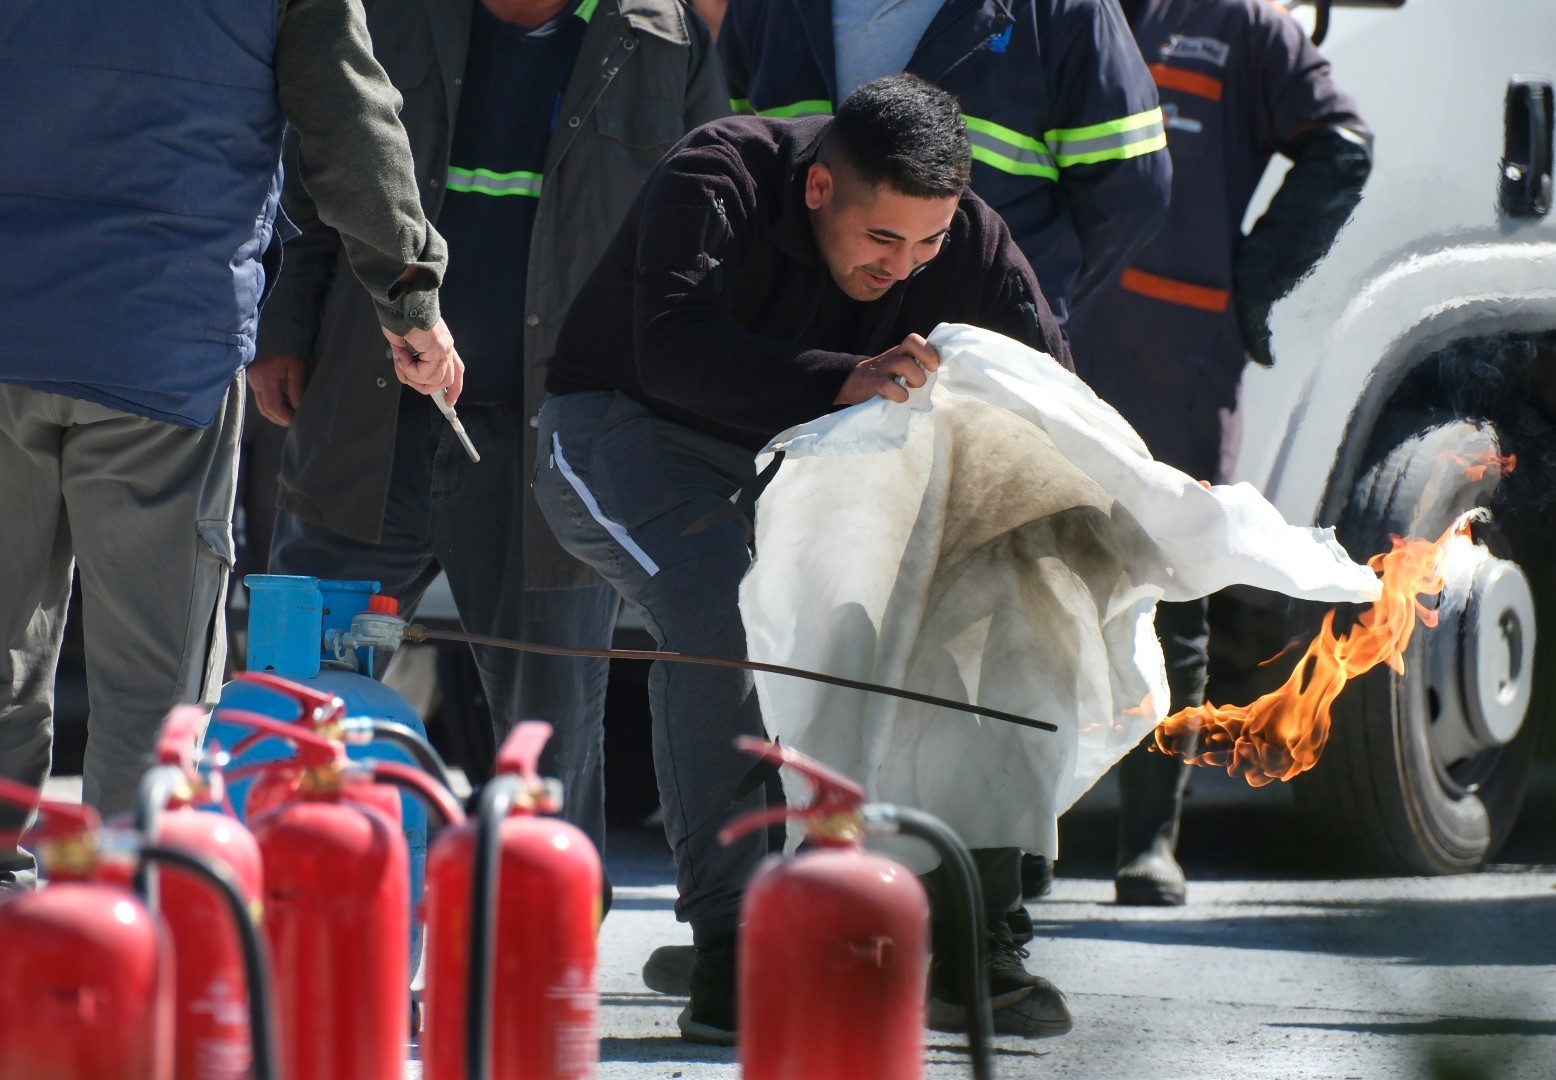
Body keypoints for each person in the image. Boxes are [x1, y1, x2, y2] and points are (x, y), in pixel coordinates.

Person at [0, 0, 459, 1038]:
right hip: (158, 340)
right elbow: (349, 118)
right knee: (157, 678)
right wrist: (408, 294)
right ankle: (128, 938)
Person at [535, 73, 1075, 1043]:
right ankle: (731, 947)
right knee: (724, 620)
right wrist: (846, 380)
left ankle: (974, 943)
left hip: (804, 467)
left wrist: (1141, 491)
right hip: (626, 428)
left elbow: (1052, 391)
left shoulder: (970, 236)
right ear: (820, 188)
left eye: (928, 242)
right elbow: (667, 350)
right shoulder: (717, 172)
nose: (905, 267)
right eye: (881, 240)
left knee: (990, 596)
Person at [248, 0, 729, 864]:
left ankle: (554, 944)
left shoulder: (665, 37)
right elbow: (318, 171)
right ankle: (271, 918)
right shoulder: (385, 15)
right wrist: (283, 326)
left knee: (550, 739)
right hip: (368, 422)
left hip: (555, 449)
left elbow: (702, 239)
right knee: (295, 704)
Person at [1066, 0, 1372, 905]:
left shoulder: (1245, 26)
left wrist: (1256, 281)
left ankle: (1148, 843)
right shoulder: (1072, 13)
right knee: (1038, 579)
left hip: (1180, 358)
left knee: (1176, 587)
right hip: (1062, 343)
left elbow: (1341, 145)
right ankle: (1022, 834)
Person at [715, 0, 1172, 327]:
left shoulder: (1063, 11)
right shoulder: (763, 9)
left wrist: (1028, 297)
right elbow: (749, 165)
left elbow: (1130, 195)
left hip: (972, 361)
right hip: (799, 347)